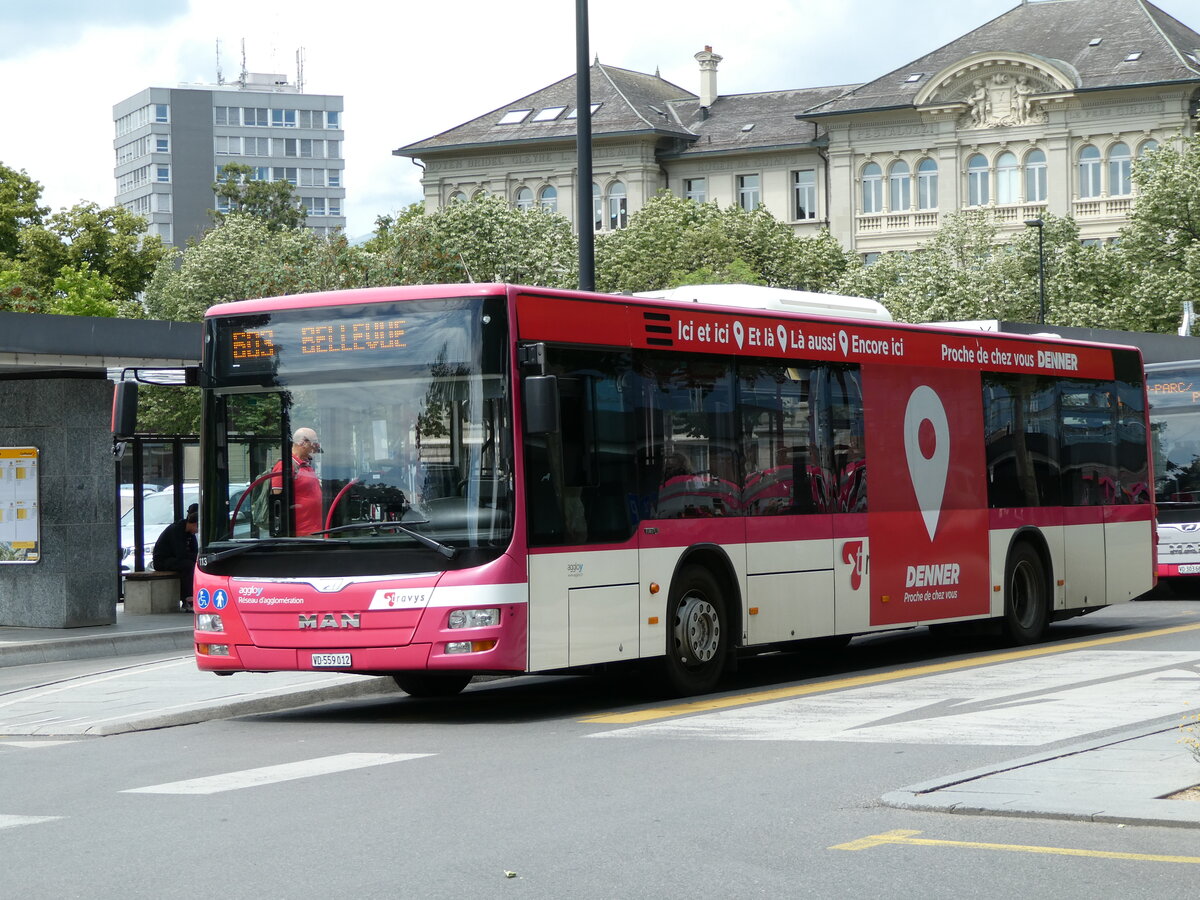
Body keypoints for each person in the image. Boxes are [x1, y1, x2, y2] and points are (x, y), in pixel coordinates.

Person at [272, 426, 323, 535]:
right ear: (303, 443)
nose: (316, 446)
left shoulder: (306, 465)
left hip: (316, 529)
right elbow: (279, 502)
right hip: (301, 533)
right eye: (314, 442)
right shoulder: (284, 466)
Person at [152, 503, 198, 612]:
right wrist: (194, 557)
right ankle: (188, 598)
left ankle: (190, 596)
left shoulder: (190, 534)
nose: (197, 531)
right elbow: (180, 554)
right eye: (197, 527)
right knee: (188, 566)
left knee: (192, 565)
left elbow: (194, 551)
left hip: (175, 559)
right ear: (194, 524)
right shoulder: (176, 530)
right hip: (162, 561)